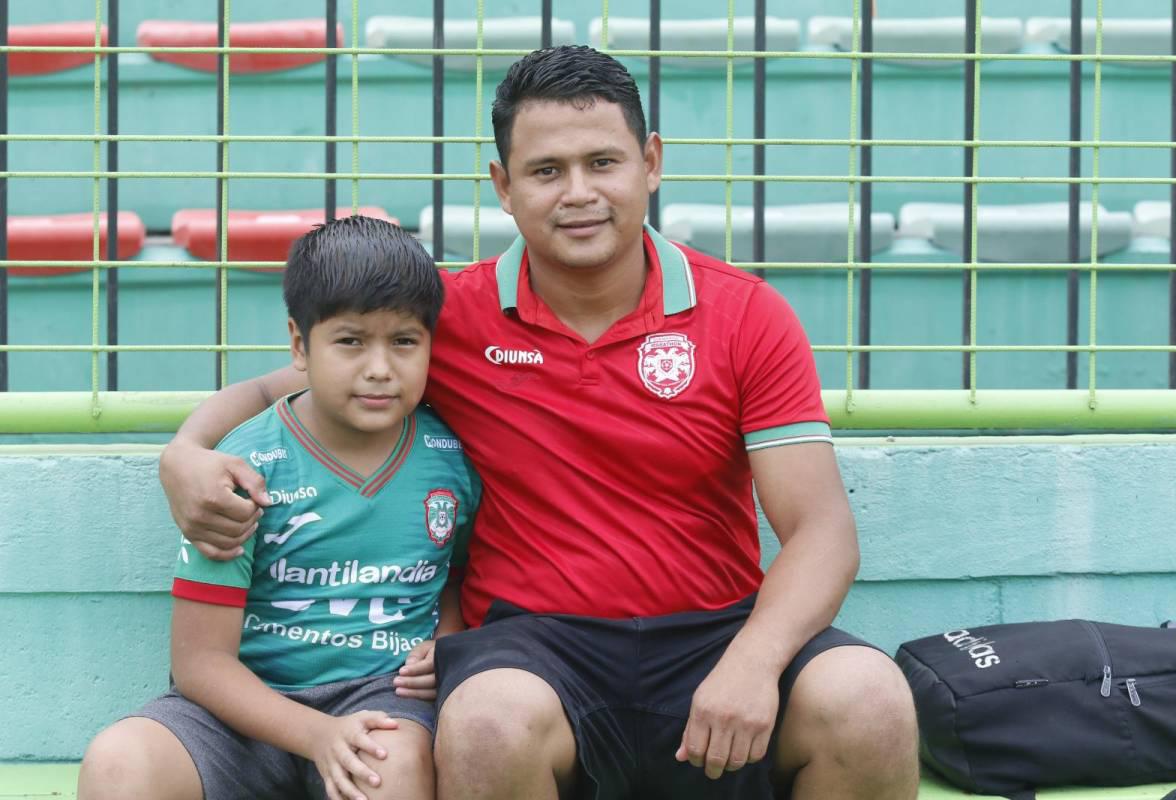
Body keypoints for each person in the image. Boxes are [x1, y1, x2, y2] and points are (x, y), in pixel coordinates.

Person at [158, 46, 919, 799]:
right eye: (547, 171)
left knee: (869, 701)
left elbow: (823, 532)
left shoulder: (746, 315)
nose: (578, 192)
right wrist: (187, 452)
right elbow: (292, 382)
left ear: (650, 162)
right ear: (503, 185)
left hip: (715, 633)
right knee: (487, 722)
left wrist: (754, 662)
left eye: (603, 162)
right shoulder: (446, 320)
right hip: (532, 650)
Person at [79, 216, 481, 800]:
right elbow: (200, 665)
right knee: (119, 764)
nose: (379, 368)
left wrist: (449, 635)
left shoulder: (452, 457)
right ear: (299, 343)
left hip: (379, 700)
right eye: (350, 341)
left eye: (403, 342)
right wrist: (316, 733)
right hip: (239, 713)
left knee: (389, 770)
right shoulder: (240, 470)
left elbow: (459, 575)